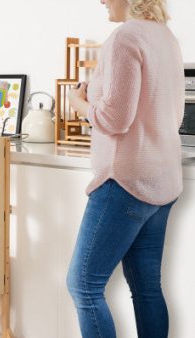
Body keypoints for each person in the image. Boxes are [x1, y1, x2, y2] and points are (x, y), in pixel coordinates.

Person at [66, 0, 184, 337]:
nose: (100, 1)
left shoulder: (124, 38)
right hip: (161, 182)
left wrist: (79, 104)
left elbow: (114, 120)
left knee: (83, 285)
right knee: (146, 287)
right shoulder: (165, 37)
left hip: (125, 183)